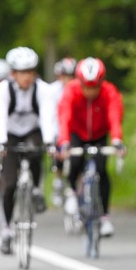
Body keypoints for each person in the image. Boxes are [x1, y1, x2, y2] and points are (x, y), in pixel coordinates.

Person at [0, 47, 56, 255]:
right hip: (10, 133)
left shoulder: (43, 89)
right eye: (22, 72)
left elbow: (47, 116)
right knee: (9, 184)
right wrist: (1, 143)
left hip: (33, 130)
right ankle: (6, 231)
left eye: (30, 71)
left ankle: (36, 189)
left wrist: (49, 142)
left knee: (36, 151)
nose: (27, 77)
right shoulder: (3, 90)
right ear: (13, 74)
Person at [57, 57, 125, 237]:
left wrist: (117, 139)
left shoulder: (109, 92)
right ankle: (72, 191)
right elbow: (64, 117)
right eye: (86, 87)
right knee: (76, 160)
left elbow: (114, 116)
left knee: (102, 170)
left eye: (94, 87)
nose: (90, 91)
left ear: (101, 83)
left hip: (99, 134)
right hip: (76, 133)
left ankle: (104, 217)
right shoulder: (71, 90)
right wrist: (64, 142)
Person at [49, 57, 77, 207]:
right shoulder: (53, 91)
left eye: (72, 76)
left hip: (75, 130)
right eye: (66, 76)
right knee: (58, 156)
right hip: (58, 130)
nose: (69, 80)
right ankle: (58, 181)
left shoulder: (79, 90)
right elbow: (51, 116)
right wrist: (55, 137)